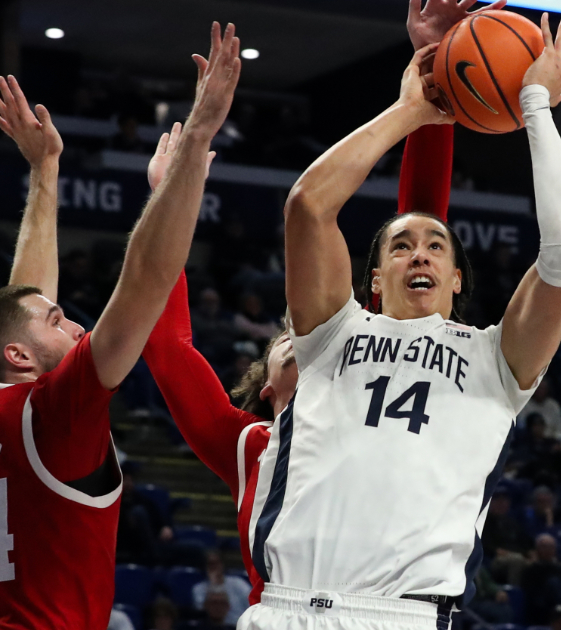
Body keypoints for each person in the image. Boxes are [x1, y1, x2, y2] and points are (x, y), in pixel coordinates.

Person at [236, 13, 561, 630]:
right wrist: (409, 111)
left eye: (436, 245)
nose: (418, 252)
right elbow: (309, 206)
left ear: (455, 279)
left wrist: (535, 105)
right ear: (372, 280)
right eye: (399, 245)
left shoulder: (496, 361)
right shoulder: (330, 334)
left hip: (406, 615)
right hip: (285, 610)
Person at [138, 8, 462, 604]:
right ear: (269, 389)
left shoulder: (372, 377)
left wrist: (435, 64)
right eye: (289, 342)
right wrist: (170, 197)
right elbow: (165, 345)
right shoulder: (247, 446)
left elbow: (419, 223)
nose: (305, 338)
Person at [0, 33, 241, 629]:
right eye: (59, 320)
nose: (74, 321)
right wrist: (198, 140)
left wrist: (45, 170)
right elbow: (147, 280)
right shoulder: (54, 414)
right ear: (21, 356)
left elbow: (22, 305)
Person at [192, 550, 251, 625]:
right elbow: (202, 613)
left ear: (222, 564)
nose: (213, 567)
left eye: (216, 563)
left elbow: (251, 606)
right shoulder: (198, 589)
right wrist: (213, 585)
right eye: (210, 564)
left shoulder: (239, 584)